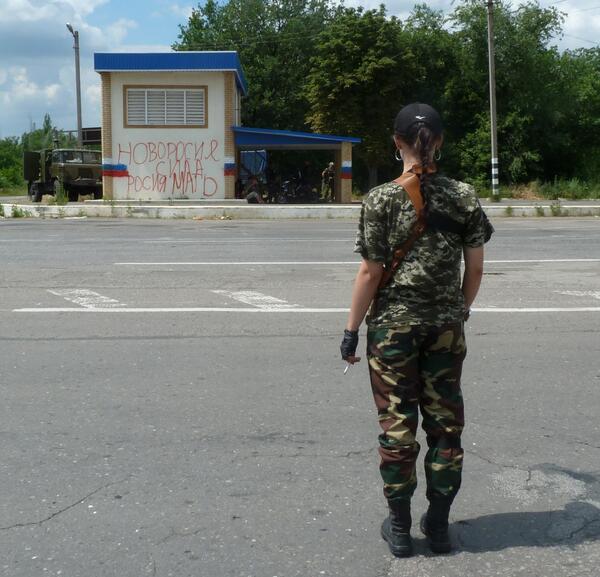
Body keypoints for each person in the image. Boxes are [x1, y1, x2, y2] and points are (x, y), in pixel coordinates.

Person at [340, 103, 486, 558]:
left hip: (393, 329)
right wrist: (458, 310)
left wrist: (350, 330)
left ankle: (400, 528)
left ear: (396, 141)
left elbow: (370, 272)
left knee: (397, 426)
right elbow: (475, 268)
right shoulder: (463, 195)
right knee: (445, 426)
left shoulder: (380, 199)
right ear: (439, 141)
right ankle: (438, 527)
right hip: (445, 326)